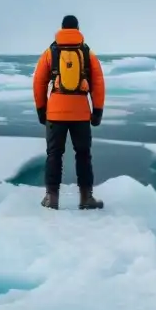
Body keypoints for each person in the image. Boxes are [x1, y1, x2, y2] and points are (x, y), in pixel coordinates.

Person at [32, 14, 105, 210]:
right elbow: (98, 82)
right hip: (80, 112)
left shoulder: (50, 52)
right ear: (78, 28)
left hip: (55, 113)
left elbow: (39, 81)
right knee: (83, 155)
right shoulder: (87, 52)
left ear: (62, 28)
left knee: (54, 154)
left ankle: (52, 198)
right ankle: (86, 198)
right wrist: (97, 110)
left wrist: (41, 109)